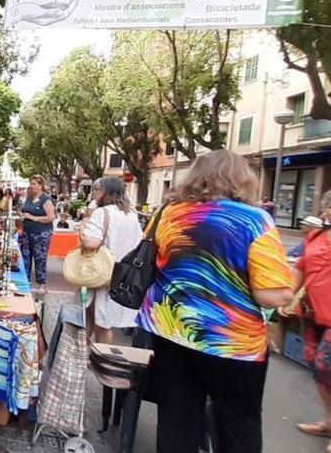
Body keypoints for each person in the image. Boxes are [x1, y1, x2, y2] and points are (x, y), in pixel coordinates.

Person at [137, 150, 293, 453]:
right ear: (242, 179)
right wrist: (288, 295)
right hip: (231, 342)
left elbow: (153, 262)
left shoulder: (167, 213)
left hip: (171, 329)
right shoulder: (255, 220)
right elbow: (269, 294)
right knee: (238, 425)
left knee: (176, 419)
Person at [281, 191, 331, 448]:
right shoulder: (317, 236)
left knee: (326, 364)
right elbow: (301, 267)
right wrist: (289, 298)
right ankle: (329, 421)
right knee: (315, 364)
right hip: (313, 311)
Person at [78, 177, 143, 343]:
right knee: (97, 316)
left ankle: (102, 361)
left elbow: (91, 242)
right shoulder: (132, 214)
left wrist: (82, 229)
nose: (95, 194)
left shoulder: (103, 212)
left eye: (97, 190)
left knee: (101, 321)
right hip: (123, 272)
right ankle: (88, 354)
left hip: (102, 272)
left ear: (106, 192)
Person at [20, 175, 55, 296]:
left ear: (41, 185)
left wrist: (33, 218)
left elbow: (51, 217)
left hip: (41, 233)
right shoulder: (29, 198)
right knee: (26, 257)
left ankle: (42, 284)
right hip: (27, 232)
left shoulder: (46, 199)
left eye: (34, 184)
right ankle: (25, 282)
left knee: (40, 258)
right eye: (31, 183)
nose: (31, 186)